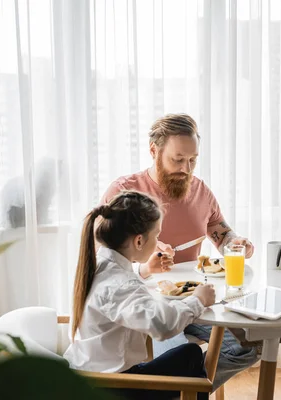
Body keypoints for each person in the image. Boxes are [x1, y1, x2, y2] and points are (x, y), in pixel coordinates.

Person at [101, 113, 258, 389]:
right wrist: (143, 262)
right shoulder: (125, 192)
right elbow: (102, 258)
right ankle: (175, 388)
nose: (186, 168)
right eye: (178, 159)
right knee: (176, 364)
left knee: (244, 349)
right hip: (146, 304)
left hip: (197, 298)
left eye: (193, 160)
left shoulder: (200, 192)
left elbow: (222, 235)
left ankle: (179, 392)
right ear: (154, 150)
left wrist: (237, 243)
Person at [64, 191, 216, 400]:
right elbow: (162, 325)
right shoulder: (120, 284)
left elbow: (118, 293)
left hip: (86, 377)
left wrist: (143, 271)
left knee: (188, 356)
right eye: (156, 235)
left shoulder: (97, 266)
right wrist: (199, 299)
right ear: (138, 242)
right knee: (191, 356)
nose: (158, 241)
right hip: (112, 386)